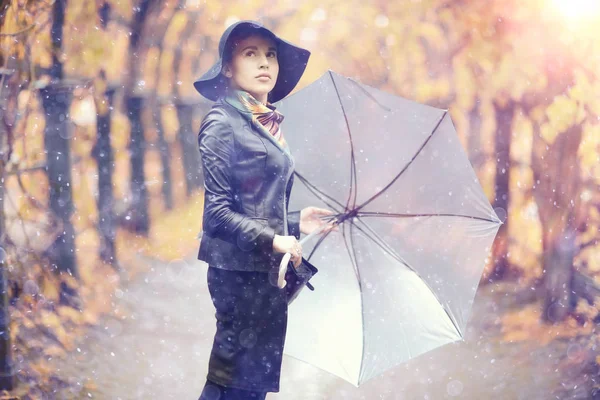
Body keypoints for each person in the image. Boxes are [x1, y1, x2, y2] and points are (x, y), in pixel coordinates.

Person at [193, 20, 337, 400]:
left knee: (247, 385)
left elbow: (252, 202)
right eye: (250, 53)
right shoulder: (222, 122)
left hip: (261, 270)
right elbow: (217, 214)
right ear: (228, 66)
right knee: (235, 383)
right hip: (237, 273)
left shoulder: (261, 120)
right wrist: (274, 239)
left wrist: (296, 221)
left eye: (270, 55)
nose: (265, 63)